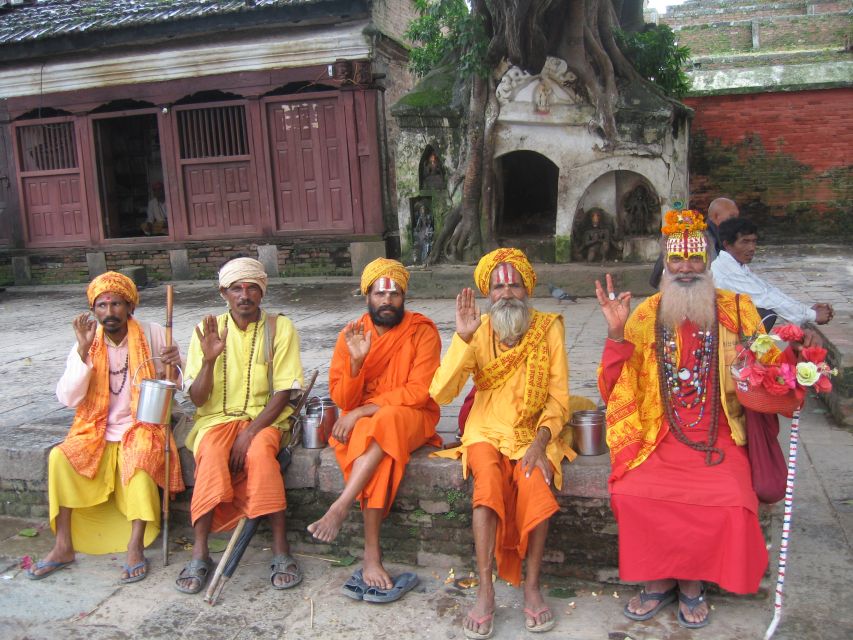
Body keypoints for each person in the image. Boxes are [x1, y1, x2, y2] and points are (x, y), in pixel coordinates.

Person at [595, 209, 815, 629]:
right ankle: (658, 582)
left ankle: (691, 585)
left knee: (729, 499)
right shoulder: (645, 315)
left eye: (695, 258)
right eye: (676, 259)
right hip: (660, 433)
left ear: (709, 262)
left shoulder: (738, 308)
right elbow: (615, 386)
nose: (686, 268)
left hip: (721, 433)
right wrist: (616, 336)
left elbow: (770, 362)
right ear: (665, 264)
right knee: (634, 492)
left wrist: (797, 368)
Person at [430, 248, 574, 638]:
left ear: (527, 288)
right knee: (488, 485)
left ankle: (531, 586)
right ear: (488, 293)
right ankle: (487, 591)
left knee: (535, 483)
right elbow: (441, 394)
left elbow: (559, 398)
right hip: (485, 431)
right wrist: (461, 339)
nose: (507, 292)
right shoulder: (476, 329)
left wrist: (540, 443)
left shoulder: (550, 327)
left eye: (514, 284)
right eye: (498, 286)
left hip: (534, 433)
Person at [29, 271, 184, 583]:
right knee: (60, 457)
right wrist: (83, 353)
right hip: (94, 427)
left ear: (130, 308)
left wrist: (174, 361)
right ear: (93, 311)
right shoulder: (87, 343)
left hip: (142, 424)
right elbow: (69, 397)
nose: (109, 312)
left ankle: (135, 545)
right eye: (101, 306)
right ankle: (63, 546)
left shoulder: (154, 334)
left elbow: (179, 384)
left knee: (141, 458)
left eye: (116, 304)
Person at [308, 258, 441, 603]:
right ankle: (371, 556)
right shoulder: (351, 334)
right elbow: (342, 397)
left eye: (395, 293)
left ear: (403, 297)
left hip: (412, 416)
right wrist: (355, 362)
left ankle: (341, 507)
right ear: (367, 295)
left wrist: (365, 410)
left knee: (382, 422)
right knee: (378, 447)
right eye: (380, 293)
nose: (388, 300)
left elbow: (419, 391)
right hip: (364, 424)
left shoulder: (422, 331)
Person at [176, 257, 304, 594]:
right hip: (215, 420)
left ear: (262, 292)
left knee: (263, 456)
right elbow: (199, 400)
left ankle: (281, 550)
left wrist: (249, 433)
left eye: (251, 287)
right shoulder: (206, 331)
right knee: (211, 455)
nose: (244, 295)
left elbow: (284, 392)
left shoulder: (280, 327)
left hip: (266, 419)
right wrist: (208, 360)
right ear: (224, 293)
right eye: (236, 288)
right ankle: (200, 553)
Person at [711, 217, 833, 330]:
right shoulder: (727, 271)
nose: (752, 248)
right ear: (727, 245)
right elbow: (767, 299)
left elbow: (768, 290)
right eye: (745, 242)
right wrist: (812, 315)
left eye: (754, 242)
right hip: (723, 332)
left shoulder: (736, 265)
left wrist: (806, 310)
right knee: (767, 312)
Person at [649, 197, 739, 289]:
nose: (736, 222)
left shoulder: (714, 236)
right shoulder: (700, 239)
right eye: (732, 217)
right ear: (716, 216)